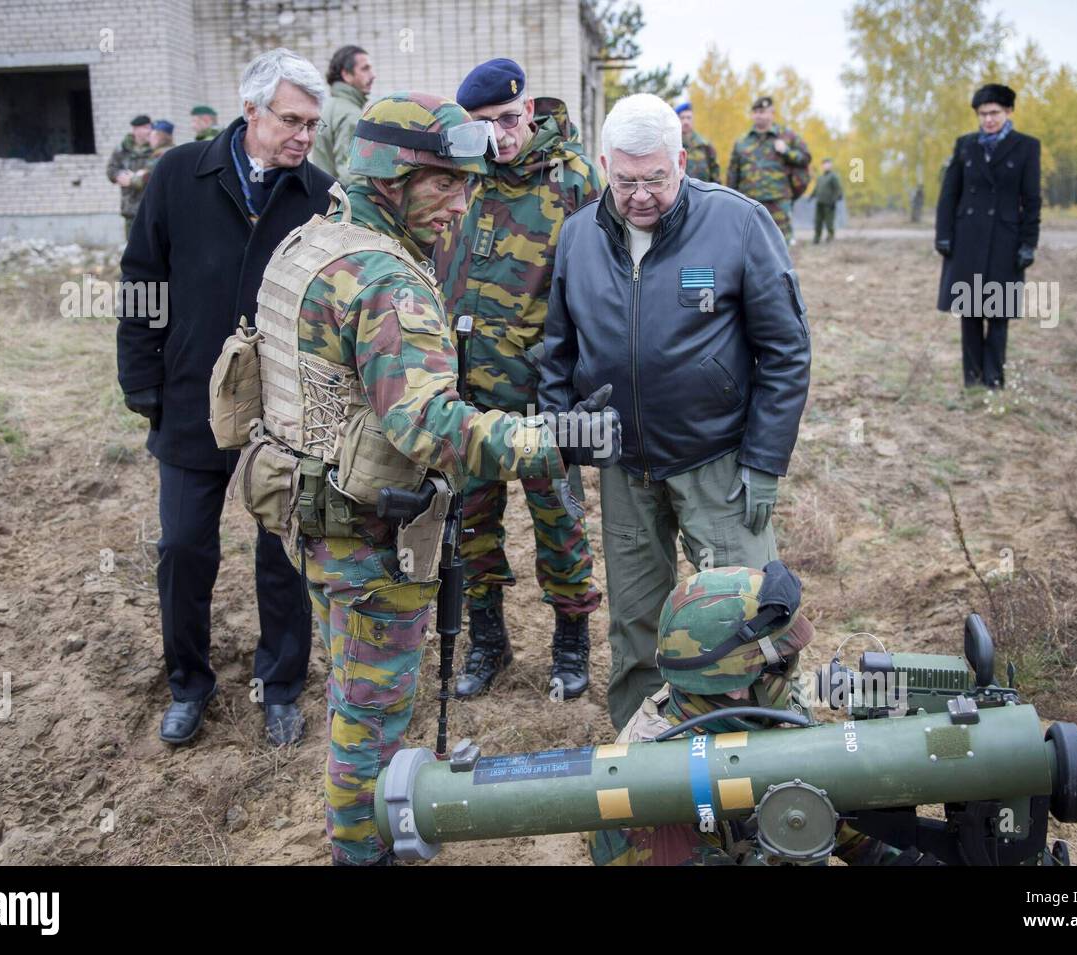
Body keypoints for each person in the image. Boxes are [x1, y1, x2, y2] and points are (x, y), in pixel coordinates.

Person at [248, 92, 619, 864]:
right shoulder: (388, 281)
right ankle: (361, 850)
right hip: (370, 538)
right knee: (371, 718)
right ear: (391, 177)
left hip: (308, 517)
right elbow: (431, 429)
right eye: (444, 184)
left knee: (355, 696)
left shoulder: (310, 243)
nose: (462, 202)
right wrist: (552, 435)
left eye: (467, 184)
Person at [540, 93, 811, 730]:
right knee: (635, 622)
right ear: (604, 164)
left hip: (717, 460)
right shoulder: (578, 236)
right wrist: (560, 450)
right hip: (623, 465)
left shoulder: (737, 223)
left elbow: (786, 349)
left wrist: (765, 460)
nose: (639, 195)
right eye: (625, 180)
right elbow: (557, 353)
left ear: (681, 162)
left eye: (656, 179)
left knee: (747, 615)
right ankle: (646, 762)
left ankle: (769, 748)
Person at [116, 48, 334, 747]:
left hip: (285, 405)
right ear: (251, 111)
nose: (303, 135)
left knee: (283, 547)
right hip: (190, 396)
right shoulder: (181, 174)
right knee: (183, 545)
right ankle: (188, 682)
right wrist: (142, 379)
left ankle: (281, 684)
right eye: (291, 120)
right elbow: (143, 277)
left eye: (312, 122)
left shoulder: (320, 195)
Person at [432, 58, 605, 702]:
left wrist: (580, 380)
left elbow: (605, 285)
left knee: (559, 522)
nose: (500, 136)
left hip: (543, 395)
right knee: (471, 524)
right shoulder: (457, 176)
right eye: (483, 124)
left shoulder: (576, 180)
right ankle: (488, 641)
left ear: (529, 111)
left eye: (509, 119)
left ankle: (570, 643)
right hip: (464, 396)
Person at [586, 562, 905, 865]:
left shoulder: (754, 704)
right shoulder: (651, 800)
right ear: (735, 685)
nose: (794, 674)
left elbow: (832, 802)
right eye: (785, 662)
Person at [934, 83, 1041, 390]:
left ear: (1008, 112)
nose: (988, 119)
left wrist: (1028, 243)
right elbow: (948, 194)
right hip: (967, 240)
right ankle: (972, 379)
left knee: (998, 314)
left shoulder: (1026, 146)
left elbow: (1032, 200)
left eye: (994, 113)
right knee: (968, 312)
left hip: (1004, 242)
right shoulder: (965, 145)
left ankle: (994, 380)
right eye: (983, 114)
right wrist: (943, 234)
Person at [726, 95, 811, 243]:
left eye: (763, 111)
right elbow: (733, 174)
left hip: (778, 202)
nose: (759, 115)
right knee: (750, 244)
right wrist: (731, 201)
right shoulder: (742, 142)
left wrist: (786, 151)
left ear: (772, 113)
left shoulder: (787, 136)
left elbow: (805, 158)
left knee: (781, 245)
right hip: (749, 202)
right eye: (756, 111)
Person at [310, 44, 375, 184]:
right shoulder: (349, 114)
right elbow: (351, 174)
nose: (372, 75)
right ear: (346, 74)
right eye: (365, 69)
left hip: (324, 197)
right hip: (344, 202)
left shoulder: (329, 106)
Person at [106, 114, 152, 240]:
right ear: (135, 129)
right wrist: (119, 176)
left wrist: (137, 178)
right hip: (130, 206)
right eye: (145, 127)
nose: (149, 130)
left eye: (149, 127)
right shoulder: (122, 149)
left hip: (151, 206)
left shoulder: (155, 149)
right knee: (133, 246)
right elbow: (111, 170)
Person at [675, 102, 720, 183]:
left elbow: (715, 173)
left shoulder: (704, 145)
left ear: (693, 120)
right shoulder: (673, 145)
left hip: (702, 193)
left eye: (689, 118)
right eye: (682, 118)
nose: (686, 121)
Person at [811, 157, 842, 243]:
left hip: (829, 204)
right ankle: (816, 238)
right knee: (818, 221)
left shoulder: (833, 176)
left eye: (828, 164)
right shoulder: (821, 177)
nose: (826, 166)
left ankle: (830, 237)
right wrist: (812, 196)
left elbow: (838, 190)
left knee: (829, 222)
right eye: (824, 164)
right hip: (819, 203)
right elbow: (817, 188)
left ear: (831, 165)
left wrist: (834, 201)